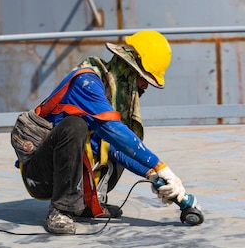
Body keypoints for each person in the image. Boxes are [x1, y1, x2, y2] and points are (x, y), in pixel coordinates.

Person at [14, 30, 188, 235]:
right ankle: (60, 210)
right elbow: (111, 130)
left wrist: (151, 175)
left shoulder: (109, 97)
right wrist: (160, 166)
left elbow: (114, 148)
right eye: (143, 78)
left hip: (73, 174)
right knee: (75, 126)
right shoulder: (87, 82)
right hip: (41, 176)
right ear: (128, 66)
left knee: (125, 140)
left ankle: (87, 205)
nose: (144, 86)